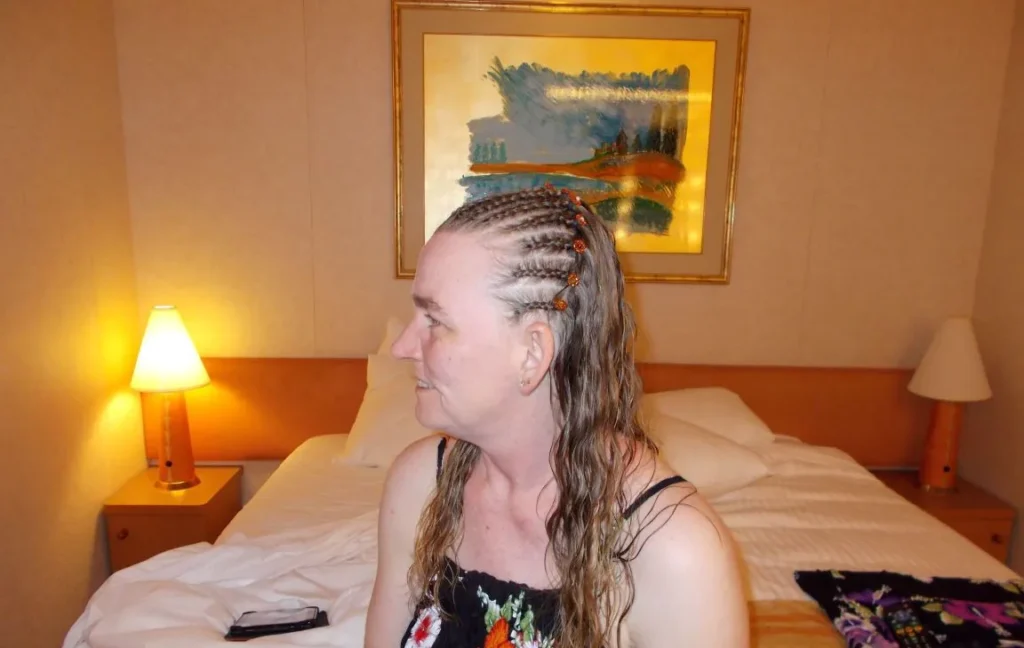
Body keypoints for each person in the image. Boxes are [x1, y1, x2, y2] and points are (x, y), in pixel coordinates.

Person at [364, 186, 749, 648]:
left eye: (436, 322)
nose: (402, 347)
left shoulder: (675, 552)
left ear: (532, 353)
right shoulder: (419, 485)